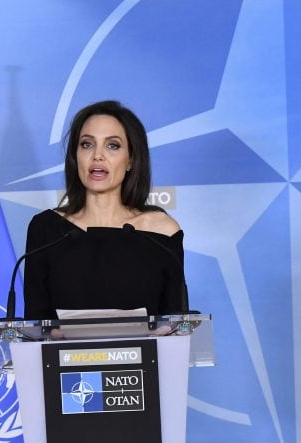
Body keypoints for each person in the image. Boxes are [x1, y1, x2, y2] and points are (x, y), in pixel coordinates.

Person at [23, 100, 185, 320]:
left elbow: (176, 325)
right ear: (75, 157)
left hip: (144, 356)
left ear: (131, 160)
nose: (97, 155)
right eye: (87, 144)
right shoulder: (47, 230)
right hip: (66, 355)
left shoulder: (161, 232)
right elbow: (34, 325)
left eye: (112, 145)